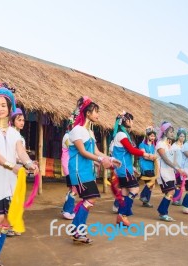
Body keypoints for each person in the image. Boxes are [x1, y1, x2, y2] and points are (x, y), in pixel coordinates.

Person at [0, 83, 39, 266]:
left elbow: (21, 152)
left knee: (6, 222)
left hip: (11, 183)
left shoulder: (15, 134)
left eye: (3, 105)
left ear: (10, 108)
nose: (0, 109)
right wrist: (12, 166)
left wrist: (30, 164)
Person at [68, 96, 121, 244]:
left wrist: (110, 159)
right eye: (95, 111)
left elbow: (96, 151)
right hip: (78, 171)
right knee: (90, 199)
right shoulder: (77, 130)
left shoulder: (90, 133)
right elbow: (83, 152)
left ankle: (77, 231)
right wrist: (101, 160)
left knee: (89, 200)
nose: (97, 114)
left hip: (87, 171)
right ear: (87, 113)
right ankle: (77, 231)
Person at [111, 112, 155, 226]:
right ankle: (123, 215)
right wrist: (146, 155)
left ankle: (121, 217)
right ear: (126, 121)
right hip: (124, 169)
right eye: (131, 120)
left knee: (125, 192)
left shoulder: (121, 135)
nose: (132, 122)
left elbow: (125, 154)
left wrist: (133, 168)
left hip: (124, 168)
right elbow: (131, 150)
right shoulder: (122, 135)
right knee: (135, 190)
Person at [155, 122, 187, 222]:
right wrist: (178, 169)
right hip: (162, 172)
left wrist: (179, 169)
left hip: (169, 172)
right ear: (164, 132)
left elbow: (173, 161)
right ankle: (163, 213)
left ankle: (162, 211)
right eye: (171, 132)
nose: (173, 134)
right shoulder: (160, 144)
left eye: (173, 132)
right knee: (171, 191)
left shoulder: (168, 145)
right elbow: (165, 160)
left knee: (171, 191)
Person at [7, 107, 26, 236]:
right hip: (9, 169)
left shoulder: (21, 137)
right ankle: (9, 225)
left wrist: (28, 162)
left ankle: (14, 224)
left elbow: (21, 154)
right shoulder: (9, 134)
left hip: (19, 169)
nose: (22, 122)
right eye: (19, 120)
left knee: (17, 198)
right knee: (10, 197)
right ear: (13, 120)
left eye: (23, 120)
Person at [60, 117, 76, 220]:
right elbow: (74, 148)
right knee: (74, 189)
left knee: (72, 188)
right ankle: (67, 211)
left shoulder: (70, 135)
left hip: (70, 165)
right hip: (69, 166)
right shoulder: (67, 136)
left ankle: (66, 209)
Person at [138, 126, 157, 208]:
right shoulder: (142, 144)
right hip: (145, 166)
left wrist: (152, 157)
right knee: (151, 182)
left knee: (151, 185)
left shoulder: (153, 146)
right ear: (147, 136)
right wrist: (152, 157)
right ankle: (142, 196)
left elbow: (155, 156)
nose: (152, 137)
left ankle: (146, 201)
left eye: (153, 136)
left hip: (151, 167)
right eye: (151, 136)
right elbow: (144, 156)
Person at [171, 128, 187, 206]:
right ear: (178, 136)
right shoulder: (174, 146)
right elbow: (172, 158)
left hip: (183, 168)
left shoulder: (184, 146)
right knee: (177, 184)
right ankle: (175, 199)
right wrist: (175, 168)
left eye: (184, 136)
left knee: (181, 184)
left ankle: (179, 199)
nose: (182, 138)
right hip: (176, 168)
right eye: (181, 136)